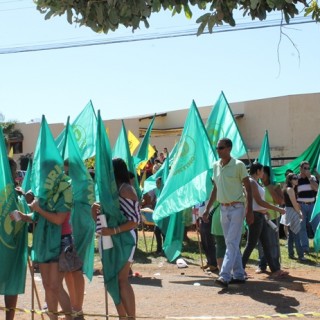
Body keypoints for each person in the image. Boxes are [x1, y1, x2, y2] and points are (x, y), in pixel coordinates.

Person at [17, 164, 73, 320]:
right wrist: (24, 215)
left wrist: (39, 209)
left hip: (61, 241)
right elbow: (37, 217)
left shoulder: (65, 189)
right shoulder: (43, 193)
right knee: (47, 286)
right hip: (44, 243)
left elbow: (59, 219)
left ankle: (71, 318)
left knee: (56, 286)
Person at [91, 158, 140, 320]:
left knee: (121, 279)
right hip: (108, 239)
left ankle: (130, 317)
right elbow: (98, 222)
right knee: (110, 279)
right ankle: (122, 317)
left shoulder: (126, 189)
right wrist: (94, 210)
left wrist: (114, 230)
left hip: (125, 239)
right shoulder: (107, 192)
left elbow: (135, 220)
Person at [203, 138, 253, 288]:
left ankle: (224, 276)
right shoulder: (216, 166)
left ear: (229, 148)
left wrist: (249, 210)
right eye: (217, 148)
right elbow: (215, 188)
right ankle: (238, 274)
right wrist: (207, 208)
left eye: (221, 148)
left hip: (238, 207)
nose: (218, 150)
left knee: (231, 242)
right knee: (231, 242)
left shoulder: (239, 165)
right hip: (223, 208)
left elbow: (248, 188)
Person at [242, 163, 288, 278]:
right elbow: (259, 201)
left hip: (260, 216)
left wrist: (265, 211)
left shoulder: (255, 182)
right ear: (258, 171)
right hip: (256, 217)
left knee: (266, 244)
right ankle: (240, 268)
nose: (263, 173)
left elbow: (259, 202)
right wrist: (276, 208)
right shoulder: (251, 182)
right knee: (251, 244)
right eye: (262, 171)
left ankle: (275, 269)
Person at [1, 158, 28, 320]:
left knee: (11, 284)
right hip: (3, 246)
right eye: (12, 171)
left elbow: (23, 217)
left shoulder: (18, 194)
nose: (14, 174)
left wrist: (24, 199)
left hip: (15, 246)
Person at [256, 165, 284, 274]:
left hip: (273, 218)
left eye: (264, 173)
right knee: (261, 243)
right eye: (261, 173)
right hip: (261, 217)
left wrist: (270, 189)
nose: (262, 175)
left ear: (268, 174)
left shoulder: (276, 186)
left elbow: (281, 202)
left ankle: (275, 265)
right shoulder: (257, 186)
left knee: (273, 243)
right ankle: (262, 265)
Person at [281, 173, 305, 261]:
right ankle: (301, 255)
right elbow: (294, 204)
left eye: (297, 178)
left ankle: (291, 254)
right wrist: (300, 213)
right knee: (296, 234)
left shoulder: (289, 189)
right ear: (290, 180)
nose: (297, 179)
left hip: (289, 211)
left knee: (291, 235)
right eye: (295, 178)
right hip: (292, 211)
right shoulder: (290, 189)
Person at [296, 161, 319, 254]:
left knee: (316, 226)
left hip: (312, 205)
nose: (307, 170)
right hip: (301, 205)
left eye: (308, 168)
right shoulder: (296, 178)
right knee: (302, 227)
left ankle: (318, 245)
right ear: (300, 169)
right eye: (305, 168)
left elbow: (317, 188)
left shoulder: (312, 177)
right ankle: (305, 248)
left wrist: (310, 178)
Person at [196, 201, 218, 272]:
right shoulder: (200, 193)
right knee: (204, 242)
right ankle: (209, 262)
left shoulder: (210, 191)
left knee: (209, 241)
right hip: (202, 218)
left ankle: (214, 264)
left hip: (209, 217)